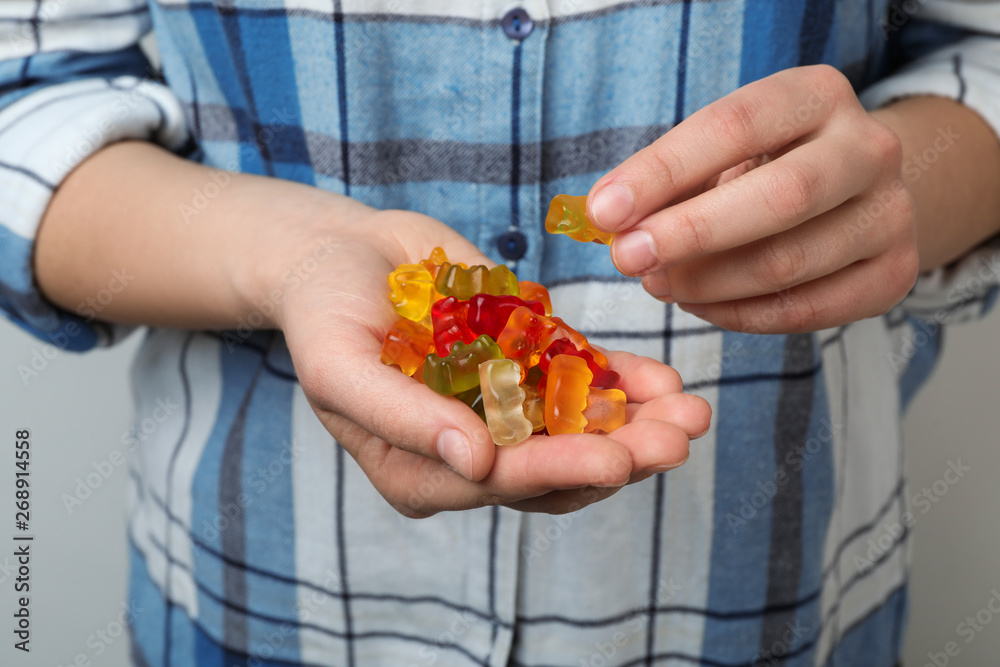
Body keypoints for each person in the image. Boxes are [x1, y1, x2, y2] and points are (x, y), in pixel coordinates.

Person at [2, 0, 999, 665]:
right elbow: (26, 101)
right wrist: (292, 257)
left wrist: (897, 188)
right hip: (248, 607)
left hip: (781, 608)